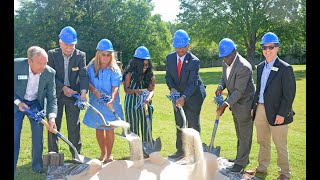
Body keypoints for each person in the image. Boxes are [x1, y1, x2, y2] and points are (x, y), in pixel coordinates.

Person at [245, 32, 296, 180]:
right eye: (264, 47)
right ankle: (262, 167)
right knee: (262, 141)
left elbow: (289, 95)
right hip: (260, 109)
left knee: (280, 144)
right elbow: (260, 89)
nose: (267, 50)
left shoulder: (285, 68)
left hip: (278, 111)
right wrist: (253, 108)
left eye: (271, 47)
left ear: (277, 48)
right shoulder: (260, 67)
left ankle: (284, 173)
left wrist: (282, 113)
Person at [14, 46, 58, 174]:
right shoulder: (16, 66)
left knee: (38, 135)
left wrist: (51, 117)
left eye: (46, 62)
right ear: (29, 61)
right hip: (17, 102)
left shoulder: (50, 73)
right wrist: (18, 102)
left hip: (35, 104)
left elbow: (52, 97)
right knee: (14, 134)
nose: (44, 66)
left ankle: (37, 166)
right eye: (40, 63)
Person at [47, 26, 89, 159]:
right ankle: (53, 154)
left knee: (74, 126)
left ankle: (76, 155)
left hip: (73, 96)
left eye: (72, 45)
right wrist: (63, 88)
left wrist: (83, 92)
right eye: (66, 44)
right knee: (54, 124)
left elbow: (83, 75)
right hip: (56, 96)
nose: (69, 48)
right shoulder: (52, 54)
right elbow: (50, 76)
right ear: (60, 42)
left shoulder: (80, 55)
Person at [165, 29, 206, 161]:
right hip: (177, 95)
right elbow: (168, 77)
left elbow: (192, 83)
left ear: (188, 45)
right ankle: (180, 151)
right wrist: (172, 89)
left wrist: (184, 97)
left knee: (193, 123)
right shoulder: (170, 58)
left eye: (183, 47)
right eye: (177, 47)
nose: (180, 50)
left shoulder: (194, 61)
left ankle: (195, 152)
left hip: (194, 96)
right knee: (179, 122)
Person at [215, 38, 255, 173]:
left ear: (235, 51)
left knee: (245, 134)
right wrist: (221, 86)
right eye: (223, 57)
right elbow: (224, 78)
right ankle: (241, 158)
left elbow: (239, 91)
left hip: (245, 104)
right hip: (235, 104)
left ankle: (241, 163)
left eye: (227, 57)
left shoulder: (244, 66)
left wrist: (225, 104)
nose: (225, 60)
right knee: (239, 132)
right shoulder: (225, 62)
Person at [82, 39, 124, 163]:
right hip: (96, 102)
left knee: (109, 128)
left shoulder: (114, 69)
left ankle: (110, 154)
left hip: (111, 102)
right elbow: (87, 81)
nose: (106, 57)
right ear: (98, 54)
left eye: (108, 54)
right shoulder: (91, 67)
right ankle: (102, 153)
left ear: (112, 55)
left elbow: (115, 86)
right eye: (103, 54)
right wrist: (94, 90)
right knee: (99, 128)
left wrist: (112, 98)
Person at [123, 46, 156, 147]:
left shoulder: (150, 74)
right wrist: (137, 91)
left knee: (147, 126)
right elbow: (126, 90)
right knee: (133, 128)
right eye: (143, 65)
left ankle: (147, 148)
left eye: (147, 65)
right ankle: (135, 150)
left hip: (146, 103)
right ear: (137, 63)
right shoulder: (129, 74)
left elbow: (152, 90)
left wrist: (148, 98)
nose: (145, 67)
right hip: (131, 103)